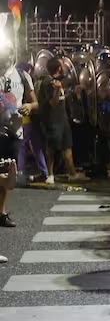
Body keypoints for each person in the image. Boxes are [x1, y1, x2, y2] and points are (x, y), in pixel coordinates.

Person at [0, 42, 37, 228]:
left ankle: (1, 212)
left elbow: (34, 102)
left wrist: (29, 106)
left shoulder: (23, 76)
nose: (6, 56)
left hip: (14, 133)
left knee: (7, 174)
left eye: (9, 53)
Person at [39, 58, 81, 183]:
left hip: (62, 120)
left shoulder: (58, 81)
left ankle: (72, 173)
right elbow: (53, 102)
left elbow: (62, 99)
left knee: (67, 147)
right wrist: (57, 89)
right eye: (62, 65)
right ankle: (50, 174)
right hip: (53, 120)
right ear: (58, 68)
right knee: (51, 148)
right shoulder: (48, 82)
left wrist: (73, 93)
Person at [15, 62, 47, 184]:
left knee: (22, 146)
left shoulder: (22, 77)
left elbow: (34, 101)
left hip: (24, 117)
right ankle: (44, 172)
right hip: (31, 117)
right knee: (36, 145)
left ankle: (21, 173)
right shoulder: (26, 77)